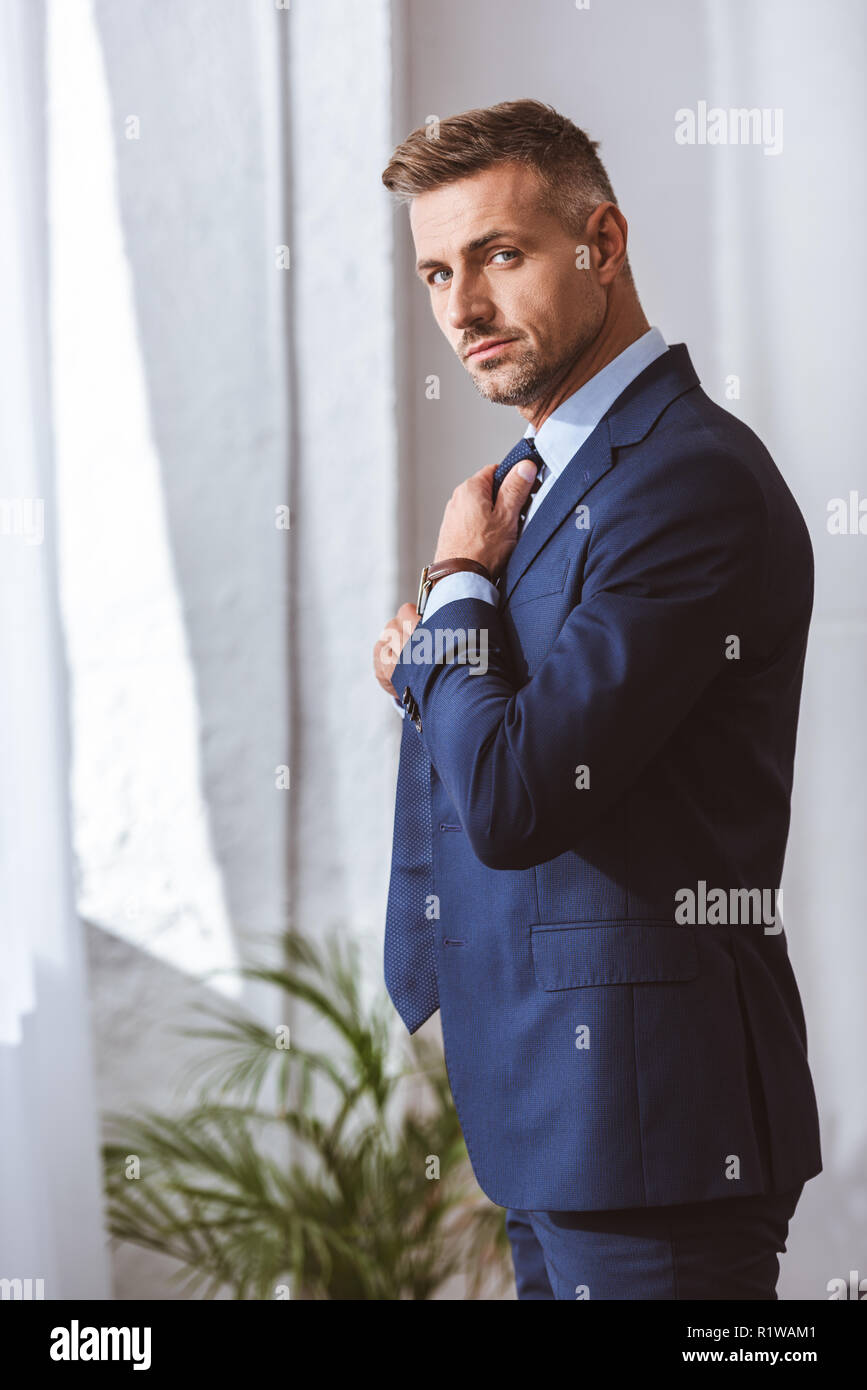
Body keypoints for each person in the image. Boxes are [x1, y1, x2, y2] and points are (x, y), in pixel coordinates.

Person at [372, 99, 821, 1300]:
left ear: (601, 245)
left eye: (498, 256)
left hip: (653, 1127)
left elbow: (523, 792)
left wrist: (457, 594)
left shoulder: (686, 479)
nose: (460, 309)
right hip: (565, 1122)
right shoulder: (550, 480)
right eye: (434, 272)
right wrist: (438, 661)